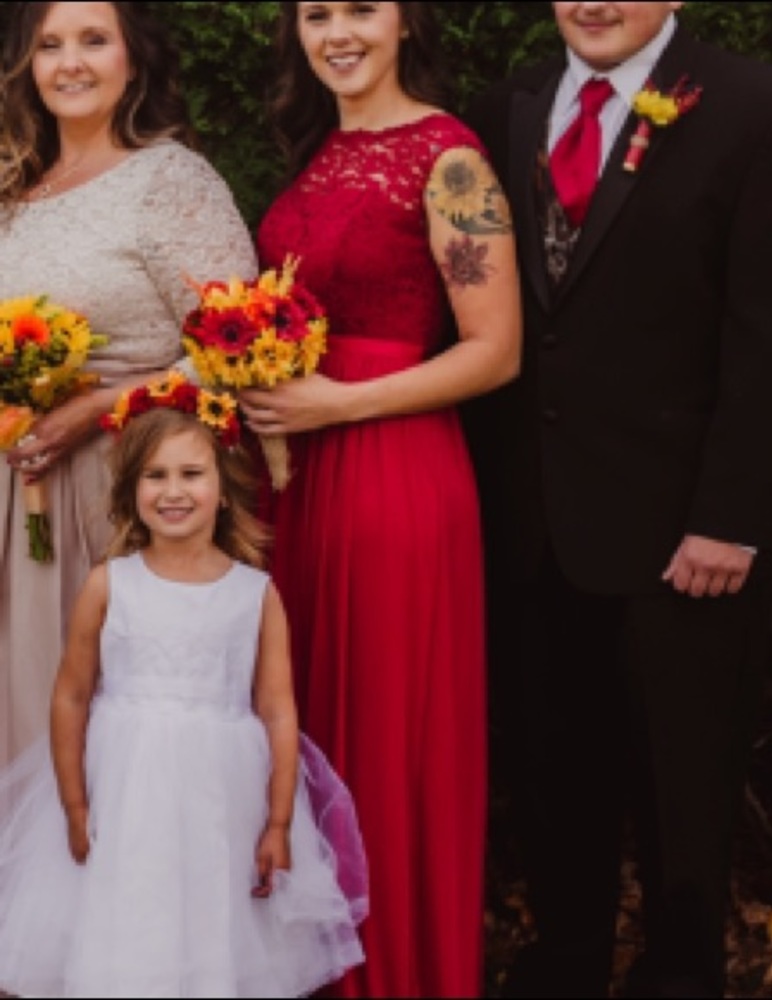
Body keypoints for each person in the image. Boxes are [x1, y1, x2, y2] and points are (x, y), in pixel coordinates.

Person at [462, 2, 772, 997]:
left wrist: (731, 516)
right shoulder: (505, 109)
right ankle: (568, 964)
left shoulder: (764, 112)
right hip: (534, 522)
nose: (592, 2)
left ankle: (679, 976)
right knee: (550, 779)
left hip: (684, 535)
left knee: (682, 795)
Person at [241, 3, 522, 996]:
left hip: (395, 475)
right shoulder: (319, 152)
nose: (337, 33)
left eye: (361, 8)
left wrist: (337, 403)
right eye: (317, 13)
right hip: (300, 486)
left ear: (407, 23)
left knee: (384, 738)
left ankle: (397, 974)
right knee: (300, 719)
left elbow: (496, 350)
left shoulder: (448, 159)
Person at [0, 379, 368, 997]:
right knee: (126, 917)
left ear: (223, 489)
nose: (173, 491)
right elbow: (71, 696)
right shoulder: (108, 585)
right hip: (123, 791)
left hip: (222, 796)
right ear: (130, 491)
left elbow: (278, 711)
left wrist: (277, 822)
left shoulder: (254, 594)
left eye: (191, 474)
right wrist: (74, 804)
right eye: (155, 476)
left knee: (208, 924)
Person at [0, 1, 257, 766]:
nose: (69, 62)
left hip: (121, 490)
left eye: (93, 40)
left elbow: (234, 347)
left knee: (103, 726)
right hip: (19, 492)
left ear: (133, 60)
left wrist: (99, 406)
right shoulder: (17, 189)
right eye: (49, 45)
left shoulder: (172, 180)